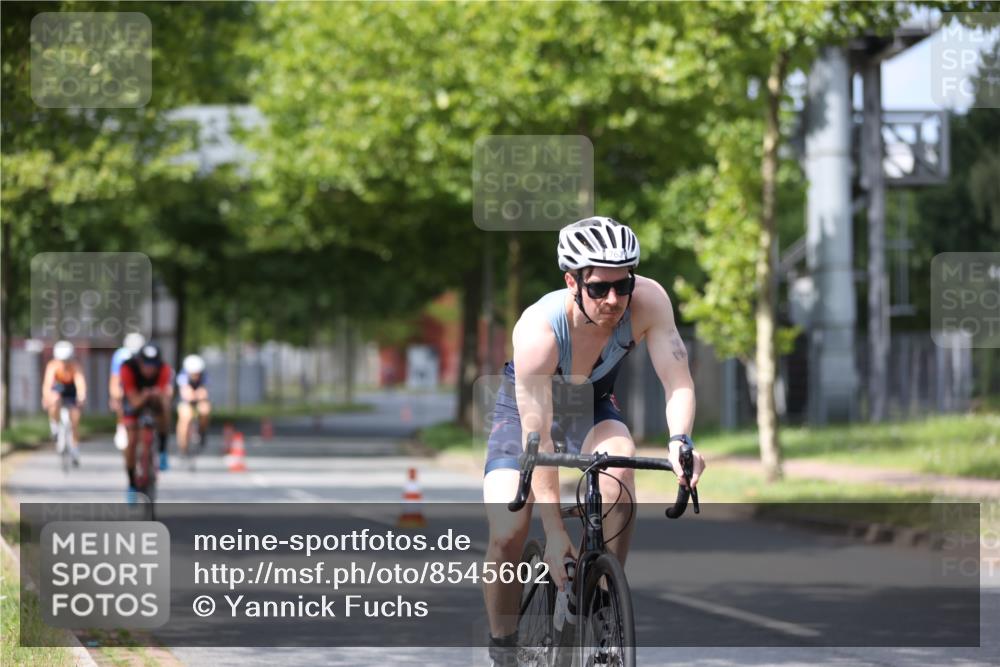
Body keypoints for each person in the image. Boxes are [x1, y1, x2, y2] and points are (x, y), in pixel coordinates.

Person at [482, 216, 706, 665]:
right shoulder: (538, 331)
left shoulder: (649, 301)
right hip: (526, 413)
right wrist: (553, 533)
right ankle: (503, 645)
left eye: (622, 286)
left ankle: (602, 600)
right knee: (509, 531)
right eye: (599, 288)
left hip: (594, 405)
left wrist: (681, 440)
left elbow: (676, 378)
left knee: (620, 469)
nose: (613, 300)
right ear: (572, 281)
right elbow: (538, 434)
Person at [119, 343, 173, 499]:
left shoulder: (164, 369)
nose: (150, 369)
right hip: (133, 401)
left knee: (165, 410)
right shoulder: (127, 368)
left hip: (154, 401)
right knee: (131, 441)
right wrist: (146, 394)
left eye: (153, 366)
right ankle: (131, 483)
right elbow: (134, 401)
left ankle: (162, 450)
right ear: (139, 362)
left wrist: (157, 396)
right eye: (146, 365)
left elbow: (164, 399)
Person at [41, 340, 87, 465]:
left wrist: (81, 396)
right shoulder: (52, 366)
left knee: (75, 420)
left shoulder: (75, 366)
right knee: (54, 399)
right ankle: (54, 426)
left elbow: (80, 383)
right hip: (57, 391)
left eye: (66, 360)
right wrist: (47, 398)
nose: (64, 363)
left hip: (71, 392)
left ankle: (75, 449)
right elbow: (47, 385)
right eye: (62, 360)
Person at [109, 332, 146, 450]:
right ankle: (121, 425)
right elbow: (115, 379)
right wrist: (114, 397)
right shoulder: (120, 356)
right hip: (125, 383)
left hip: (141, 384)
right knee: (120, 394)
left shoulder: (147, 355)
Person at [176, 353, 211, 455]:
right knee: (185, 418)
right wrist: (196, 395)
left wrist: (198, 395)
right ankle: (183, 447)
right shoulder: (183, 376)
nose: (196, 375)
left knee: (205, 410)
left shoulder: (204, 375)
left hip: (199, 400)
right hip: (186, 402)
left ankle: (202, 431)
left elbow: (204, 392)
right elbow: (186, 394)